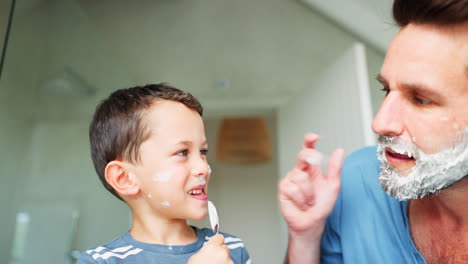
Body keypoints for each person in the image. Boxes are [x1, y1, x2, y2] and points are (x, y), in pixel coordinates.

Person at [279, 0, 468, 263]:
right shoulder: (357, 181)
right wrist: (305, 237)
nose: (380, 123)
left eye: (420, 99)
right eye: (386, 90)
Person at [77, 83, 251, 264]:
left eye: (203, 152)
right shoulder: (100, 261)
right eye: (182, 152)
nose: (203, 168)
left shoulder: (231, 250)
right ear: (125, 178)